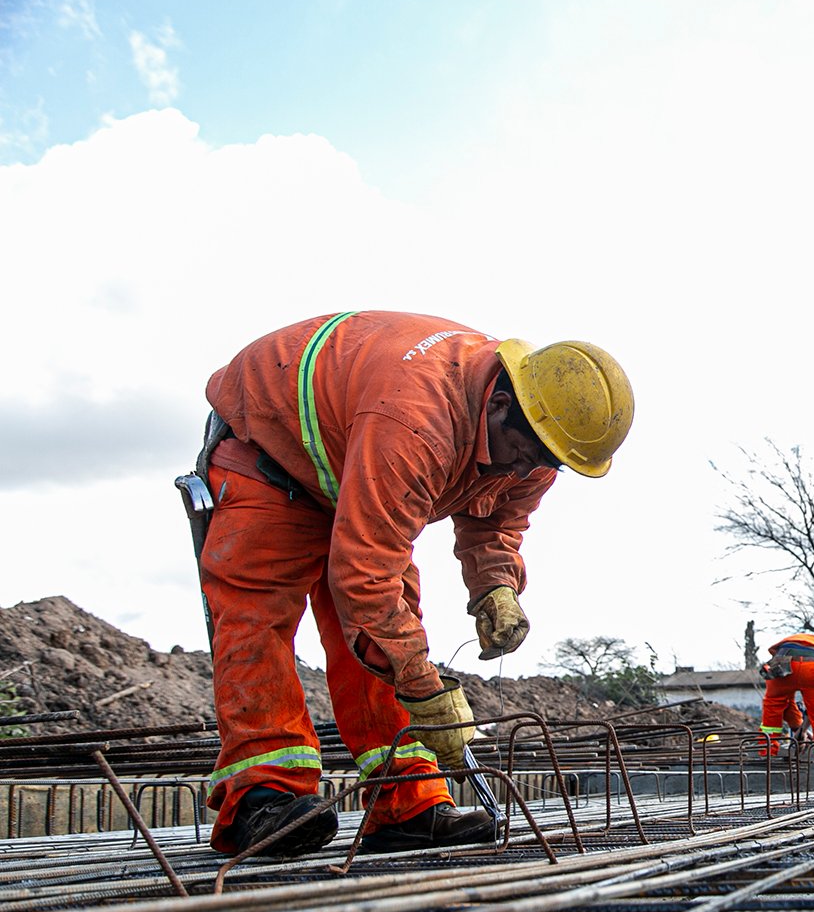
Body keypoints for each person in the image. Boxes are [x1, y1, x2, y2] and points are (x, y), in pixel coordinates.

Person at [195, 311, 634, 856]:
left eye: (544, 465)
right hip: (272, 450)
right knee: (260, 616)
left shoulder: (538, 439)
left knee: (389, 625)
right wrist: (426, 691)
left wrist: (495, 586)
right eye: (524, 457)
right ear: (499, 406)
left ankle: (407, 803)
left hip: (362, 457)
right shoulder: (417, 420)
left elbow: (497, 518)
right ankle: (263, 798)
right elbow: (366, 579)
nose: (526, 473)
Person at [756, 633, 814, 791]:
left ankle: (765, 757)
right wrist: (801, 729)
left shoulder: (794, 642)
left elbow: (787, 702)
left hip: (782, 659)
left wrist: (799, 729)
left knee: (773, 709)